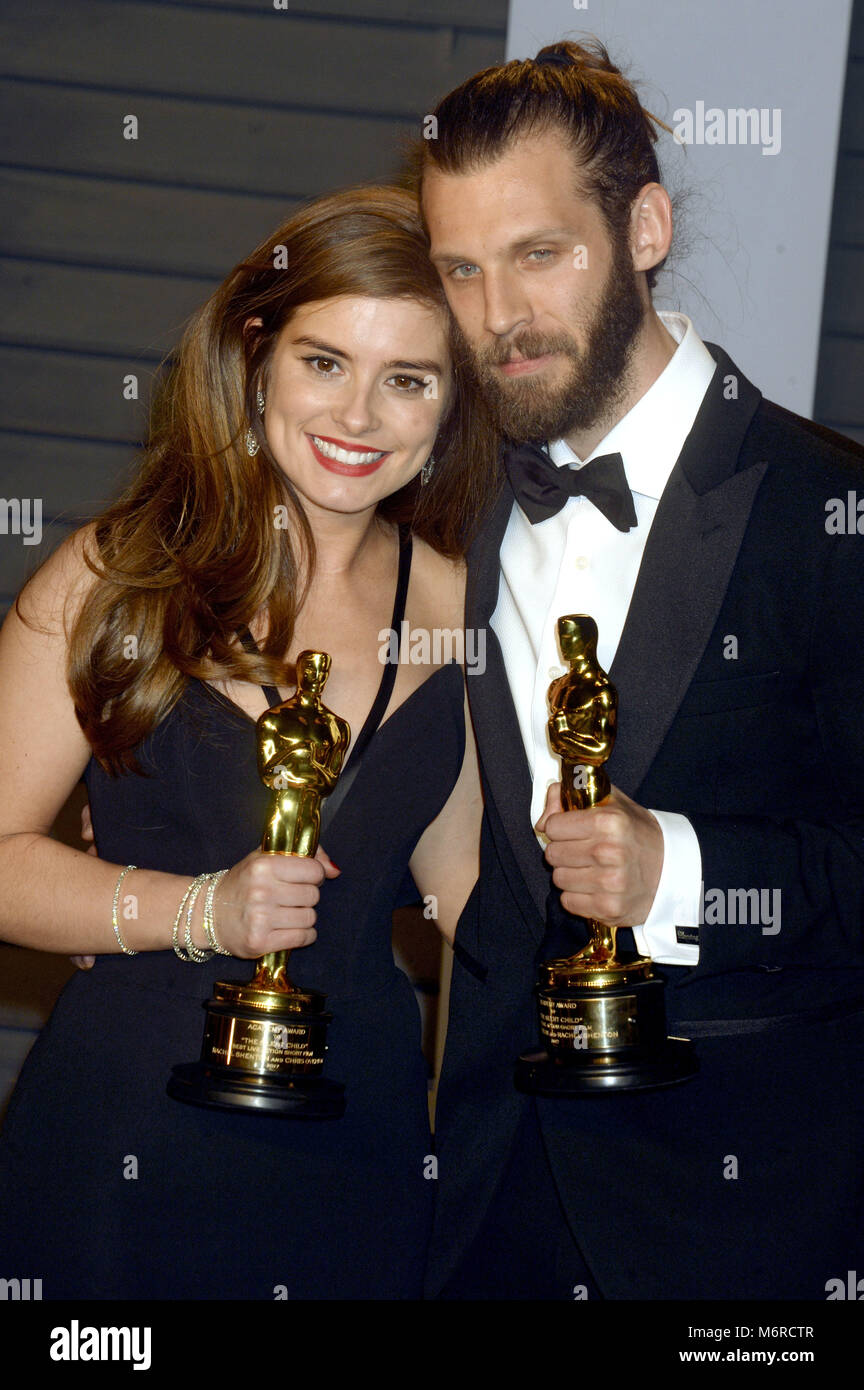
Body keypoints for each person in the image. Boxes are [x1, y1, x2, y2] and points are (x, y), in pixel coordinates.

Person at [416, 40, 864, 1299]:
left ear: (646, 226)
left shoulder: (832, 511)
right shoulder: (450, 500)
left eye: (540, 253)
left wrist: (687, 872)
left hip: (743, 1221)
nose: (499, 313)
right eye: (462, 268)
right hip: (493, 1204)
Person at [0, 186, 494, 1299]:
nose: (359, 415)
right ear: (256, 353)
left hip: (359, 1160)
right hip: (115, 1148)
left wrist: (467, 1145)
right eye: (326, 362)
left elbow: (462, 899)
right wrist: (199, 911)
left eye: (407, 379)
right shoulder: (113, 574)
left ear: (452, 404)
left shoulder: (464, 609)